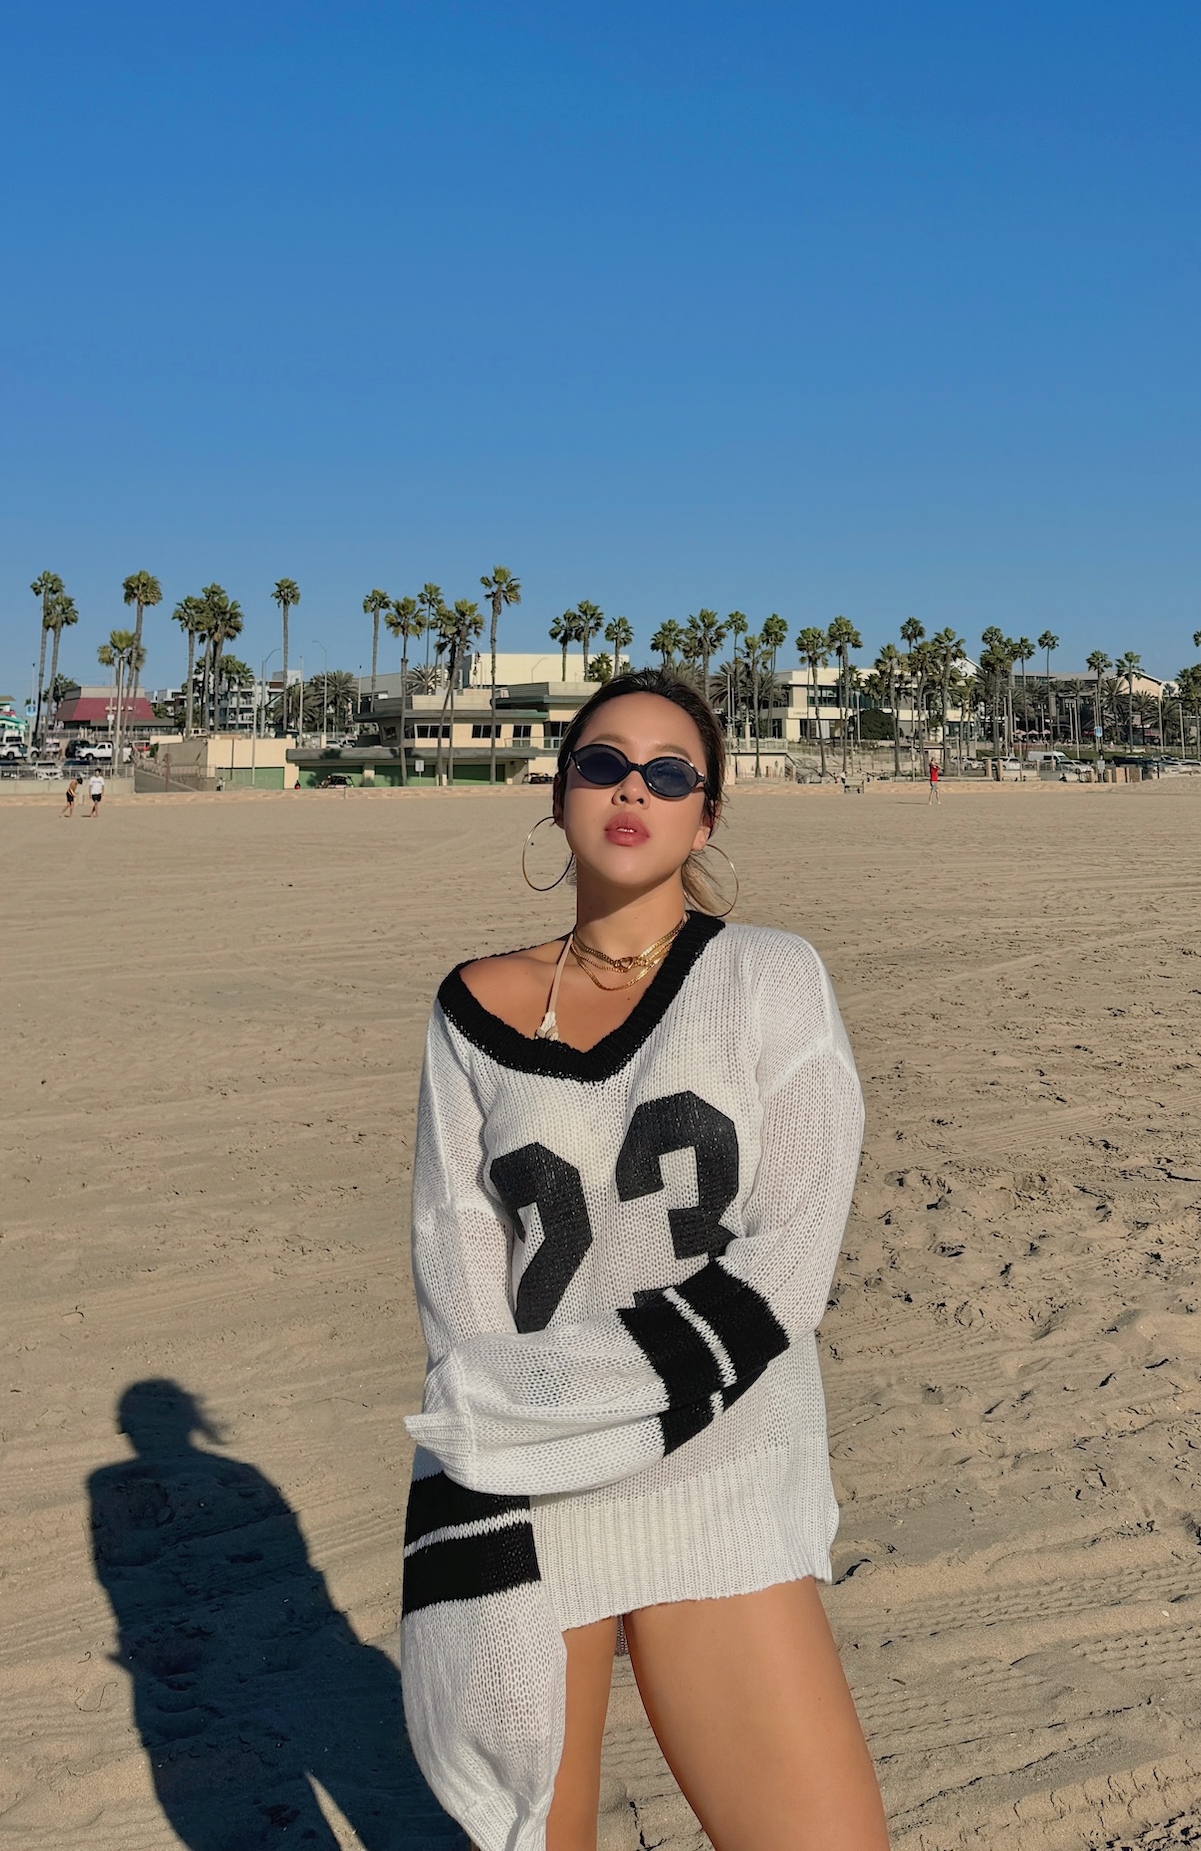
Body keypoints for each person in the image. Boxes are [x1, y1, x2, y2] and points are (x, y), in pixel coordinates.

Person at [400, 667, 887, 1851]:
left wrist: (585, 1399)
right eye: (602, 763)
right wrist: (509, 1440)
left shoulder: (768, 975)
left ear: (706, 815)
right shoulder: (469, 1011)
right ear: (558, 793)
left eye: (670, 774)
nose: (633, 790)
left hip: (715, 1462)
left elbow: (789, 1259)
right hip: (532, 1487)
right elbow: (456, 1266)